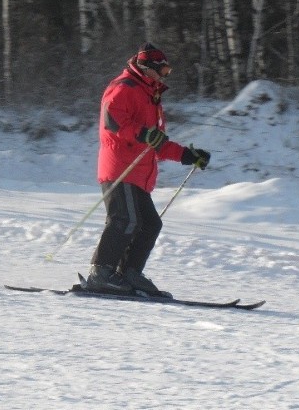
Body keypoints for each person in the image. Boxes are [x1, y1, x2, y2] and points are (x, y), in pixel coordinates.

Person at [84, 43, 211, 296]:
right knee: (125, 220)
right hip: (120, 169)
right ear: (148, 68)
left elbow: (157, 143)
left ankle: (129, 273)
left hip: (139, 175)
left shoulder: (150, 97)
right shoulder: (124, 88)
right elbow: (114, 121)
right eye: (163, 70)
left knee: (150, 224)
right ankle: (101, 273)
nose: (165, 75)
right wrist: (143, 133)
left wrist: (187, 155)